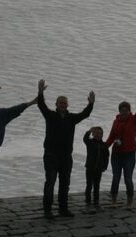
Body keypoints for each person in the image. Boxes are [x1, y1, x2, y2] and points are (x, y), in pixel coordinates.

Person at [36, 79, 94, 218]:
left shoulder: (71, 118)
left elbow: (85, 114)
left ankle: (63, 209)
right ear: (56, 105)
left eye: (64, 103)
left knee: (64, 184)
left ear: (67, 105)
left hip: (66, 156)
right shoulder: (50, 115)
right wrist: (40, 92)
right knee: (50, 182)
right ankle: (48, 210)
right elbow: (41, 105)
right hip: (51, 155)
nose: (62, 104)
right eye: (60, 103)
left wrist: (91, 104)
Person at [105, 90, 136, 207]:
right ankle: (113, 201)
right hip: (116, 154)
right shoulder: (115, 122)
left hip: (129, 154)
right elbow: (111, 137)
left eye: (126, 110)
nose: (124, 112)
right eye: (122, 110)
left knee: (128, 178)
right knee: (115, 177)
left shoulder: (134, 120)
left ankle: (129, 202)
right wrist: (103, 147)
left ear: (129, 111)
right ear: (119, 111)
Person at [82, 126, 110, 210]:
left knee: (97, 185)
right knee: (89, 185)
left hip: (99, 169)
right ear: (93, 134)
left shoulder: (104, 145)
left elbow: (106, 157)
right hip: (90, 168)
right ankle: (88, 202)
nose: (98, 135)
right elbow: (85, 139)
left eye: (100, 134)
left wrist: (105, 167)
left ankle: (96, 202)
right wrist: (89, 131)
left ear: (102, 135)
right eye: (97, 133)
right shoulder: (90, 142)